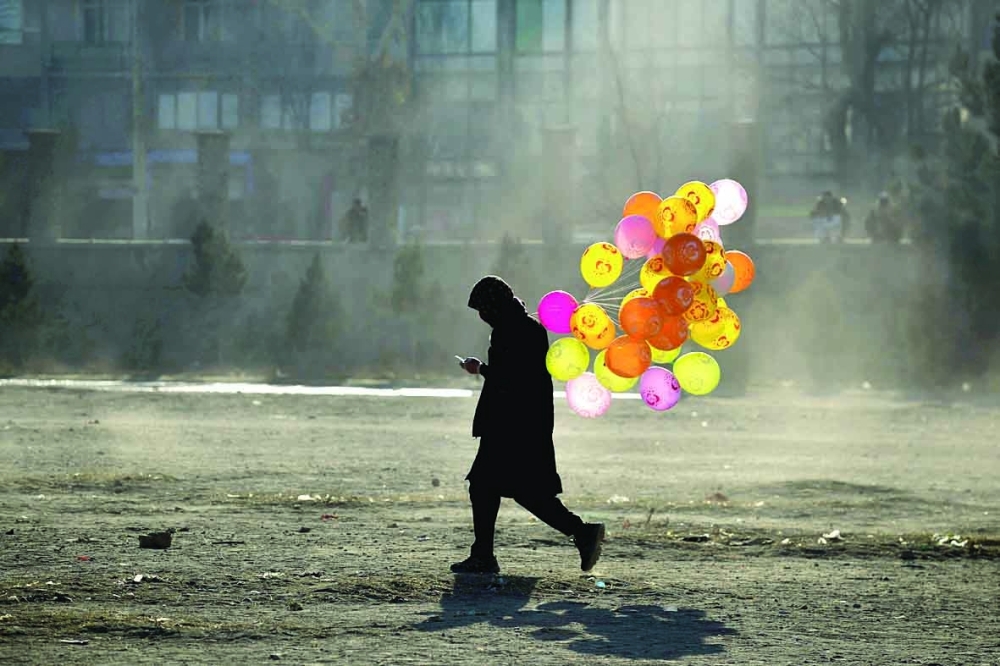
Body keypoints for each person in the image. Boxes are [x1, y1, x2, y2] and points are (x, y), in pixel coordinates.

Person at [453, 275, 605, 575]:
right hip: (525, 423)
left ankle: (485, 555)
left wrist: (479, 368)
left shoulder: (511, 331)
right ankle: (582, 533)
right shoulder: (526, 327)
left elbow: (510, 379)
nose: (481, 316)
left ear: (493, 307)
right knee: (519, 490)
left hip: (512, 425)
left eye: (482, 309)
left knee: (491, 486)